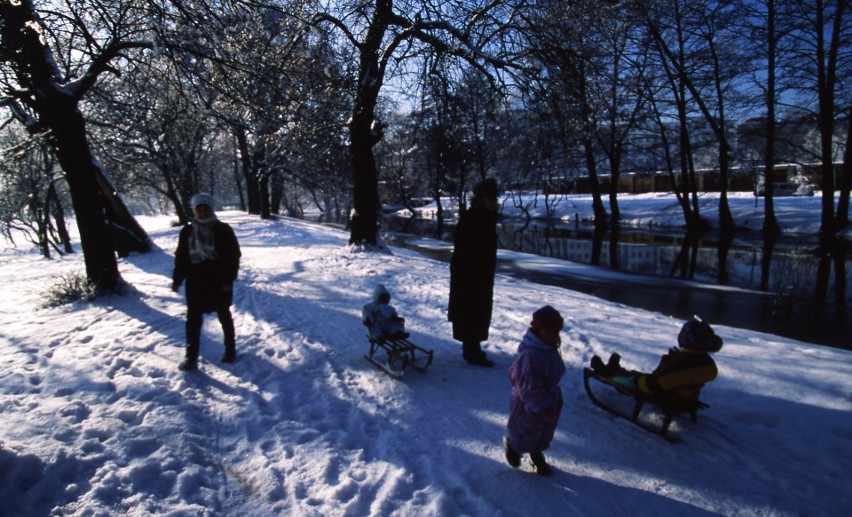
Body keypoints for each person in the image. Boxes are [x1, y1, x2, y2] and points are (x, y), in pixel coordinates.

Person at [172, 193, 242, 371]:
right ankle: (191, 357)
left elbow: (233, 256)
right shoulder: (187, 231)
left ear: (211, 210)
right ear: (194, 211)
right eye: (199, 209)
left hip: (219, 278)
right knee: (193, 319)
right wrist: (177, 279)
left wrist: (228, 279)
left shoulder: (223, 229)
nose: (202, 212)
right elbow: (181, 257)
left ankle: (230, 350)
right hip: (195, 280)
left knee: (223, 315)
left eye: (206, 209)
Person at [589, 317, 723, 402]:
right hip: (684, 395)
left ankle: (606, 372)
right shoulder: (704, 361)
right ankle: (616, 369)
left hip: (667, 395)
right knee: (637, 376)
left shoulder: (684, 362)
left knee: (633, 381)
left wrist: (641, 380)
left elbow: (655, 382)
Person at [503, 305, 566, 477]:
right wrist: (543, 405)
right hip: (528, 404)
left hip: (549, 399)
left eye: (556, 331)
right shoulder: (531, 355)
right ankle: (514, 447)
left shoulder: (549, 348)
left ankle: (536, 453)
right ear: (538, 331)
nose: (553, 335)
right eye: (548, 331)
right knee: (526, 430)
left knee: (544, 430)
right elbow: (527, 386)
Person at [448, 178, 499, 367]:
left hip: (479, 272)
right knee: (471, 310)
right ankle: (471, 351)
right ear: (480, 199)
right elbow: (466, 249)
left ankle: (472, 347)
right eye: (490, 198)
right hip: (470, 273)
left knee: (477, 309)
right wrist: (472, 271)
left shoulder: (484, 216)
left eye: (494, 198)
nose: (494, 202)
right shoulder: (474, 218)